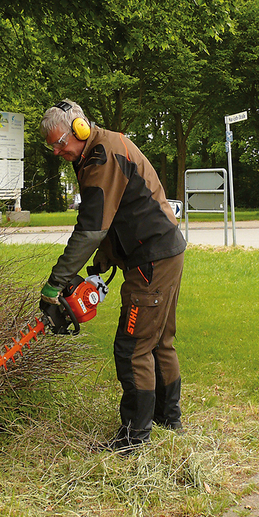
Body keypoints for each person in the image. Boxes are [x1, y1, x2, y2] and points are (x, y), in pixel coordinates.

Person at [39, 99, 186, 454]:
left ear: (80, 128)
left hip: (150, 258)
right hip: (162, 251)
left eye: (62, 143)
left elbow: (91, 229)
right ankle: (169, 420)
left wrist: (55, 284)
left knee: (132, 346)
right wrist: (102, 264)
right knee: (159, 341)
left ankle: (134, 437)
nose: (59, 151)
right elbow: (118, 214)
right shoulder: (99, 150)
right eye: (53, 147)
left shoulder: (102, 156)